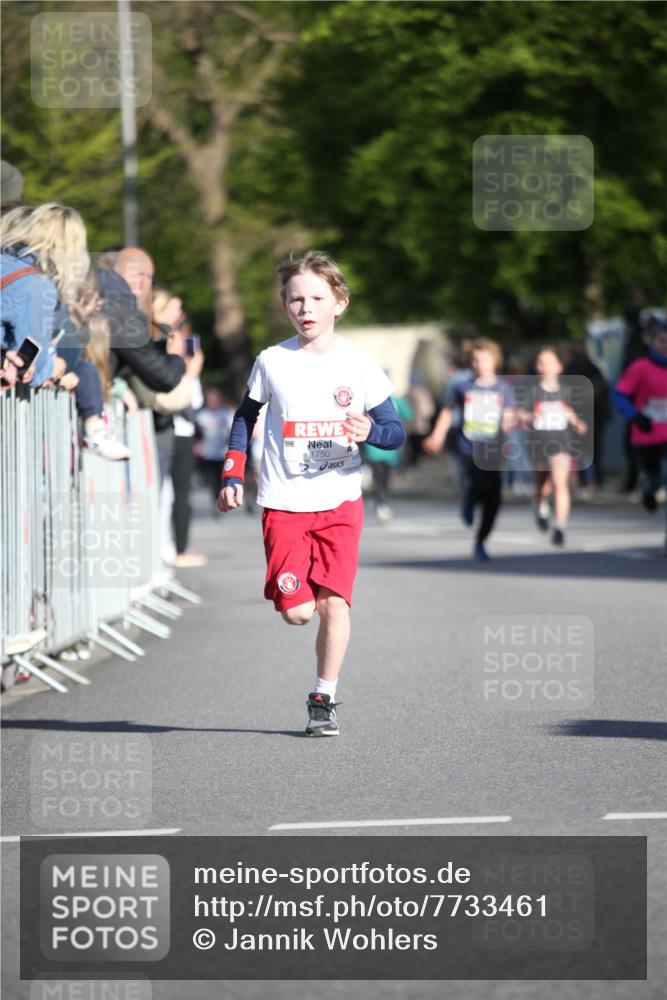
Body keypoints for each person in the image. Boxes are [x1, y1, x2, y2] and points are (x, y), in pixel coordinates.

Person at [217, 250, 404, 736]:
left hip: (341, 501)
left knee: (334, 605)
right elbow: (244, 417)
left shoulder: (360, 366)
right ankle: (306, 635)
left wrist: (370, 431)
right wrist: (233, 474)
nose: (306, 308)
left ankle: (324, 698)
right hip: (285, 503)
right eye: (296, 299)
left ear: (339, 303)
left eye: (317, 298)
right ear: (285, 306)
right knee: (299, 612)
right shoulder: (272, 362)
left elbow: (395, 431)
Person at [423, 338, 515, 561]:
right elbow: (447, 411)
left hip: (493, 449)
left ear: (494, 361)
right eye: (474, 360)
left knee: (493, 498)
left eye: (483, 359)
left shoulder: (503, 388)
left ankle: (481, 541)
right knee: (477, 483)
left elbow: (510, 413)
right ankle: (468, 499)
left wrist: (508, 423)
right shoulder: (461, 386)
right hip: (469, 447)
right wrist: (437, 434)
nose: (478, 363)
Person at [517, 347, 587, 547]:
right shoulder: (532, 390)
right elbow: (520, 412)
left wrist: (577, 422)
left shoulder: (567, 390)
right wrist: (528, 417)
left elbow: (570, 410)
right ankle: (540, 505)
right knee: (542, 482)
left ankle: (560, 526)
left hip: (561, 441)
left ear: (559, 366)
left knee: (560, 482)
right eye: (540, 362)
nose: (544, 367)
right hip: (539, 441)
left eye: (548, 362)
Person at [614, 319, 667, 554]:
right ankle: (647, 488)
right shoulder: (640, 367)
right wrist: (635, 416)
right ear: (653, 343)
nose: (666, 346)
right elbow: (620, 395)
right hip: (646, 433)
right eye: (662, 341)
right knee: (654, 476)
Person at [363, 389, 412, 521]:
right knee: (382, 478)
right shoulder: (395, 399)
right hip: (379, 448)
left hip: (381, 448)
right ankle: (381, 503)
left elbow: (407, 415)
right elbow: (407, 416)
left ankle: (381, 502)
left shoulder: (368, 397)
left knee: (381, 478)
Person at [196, 387, 234, 513]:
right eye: (210, 400)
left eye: (215, 399)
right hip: (208, 453)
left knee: (220, 478)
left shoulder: (225, 414)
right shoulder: (202, 415)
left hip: (222, 453)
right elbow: (197, 434)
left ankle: (220, 499)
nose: (212, 402)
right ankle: (214, 500)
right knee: (211, 479)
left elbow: (231, 431)